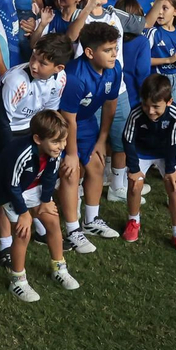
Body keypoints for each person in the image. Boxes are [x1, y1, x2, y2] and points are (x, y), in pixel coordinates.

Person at [0, 109, 79, 300]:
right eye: (56, 142)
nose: (61, 146)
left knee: (53, 222)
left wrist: (46, 200)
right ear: (38, 139)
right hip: (9, 190)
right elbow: (11, 185)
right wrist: (24, 213)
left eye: (64, 141)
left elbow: (49, 176)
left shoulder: (54, 150)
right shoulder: (21, 153)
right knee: (23, 233)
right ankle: (18, 281)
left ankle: (59, 268)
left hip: (32, 185)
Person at [58, 22, 123, 253]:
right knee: (71, 172)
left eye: (115, 48)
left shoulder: (115, 69)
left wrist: (101, 139)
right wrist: (72, 154)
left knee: (96, 166)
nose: (114, 54)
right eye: (108, 50)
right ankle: (72, 230)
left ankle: (91, 220)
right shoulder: (74, 77)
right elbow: (67, 120)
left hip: (86, 122)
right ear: (89, 52)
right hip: (62, 125)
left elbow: (110, 105)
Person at [122, 74, 176, 256]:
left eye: (156, 106)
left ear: (169, 101)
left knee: (175, 186)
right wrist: (134, 168)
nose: (150, 110)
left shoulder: (175, 114)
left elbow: (172, 143)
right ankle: (133, 221)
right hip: (141, 153)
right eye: (146, 105)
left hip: (165, 153)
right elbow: (128, 140)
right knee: (134, 185)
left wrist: (170, 170)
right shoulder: (136, 113)